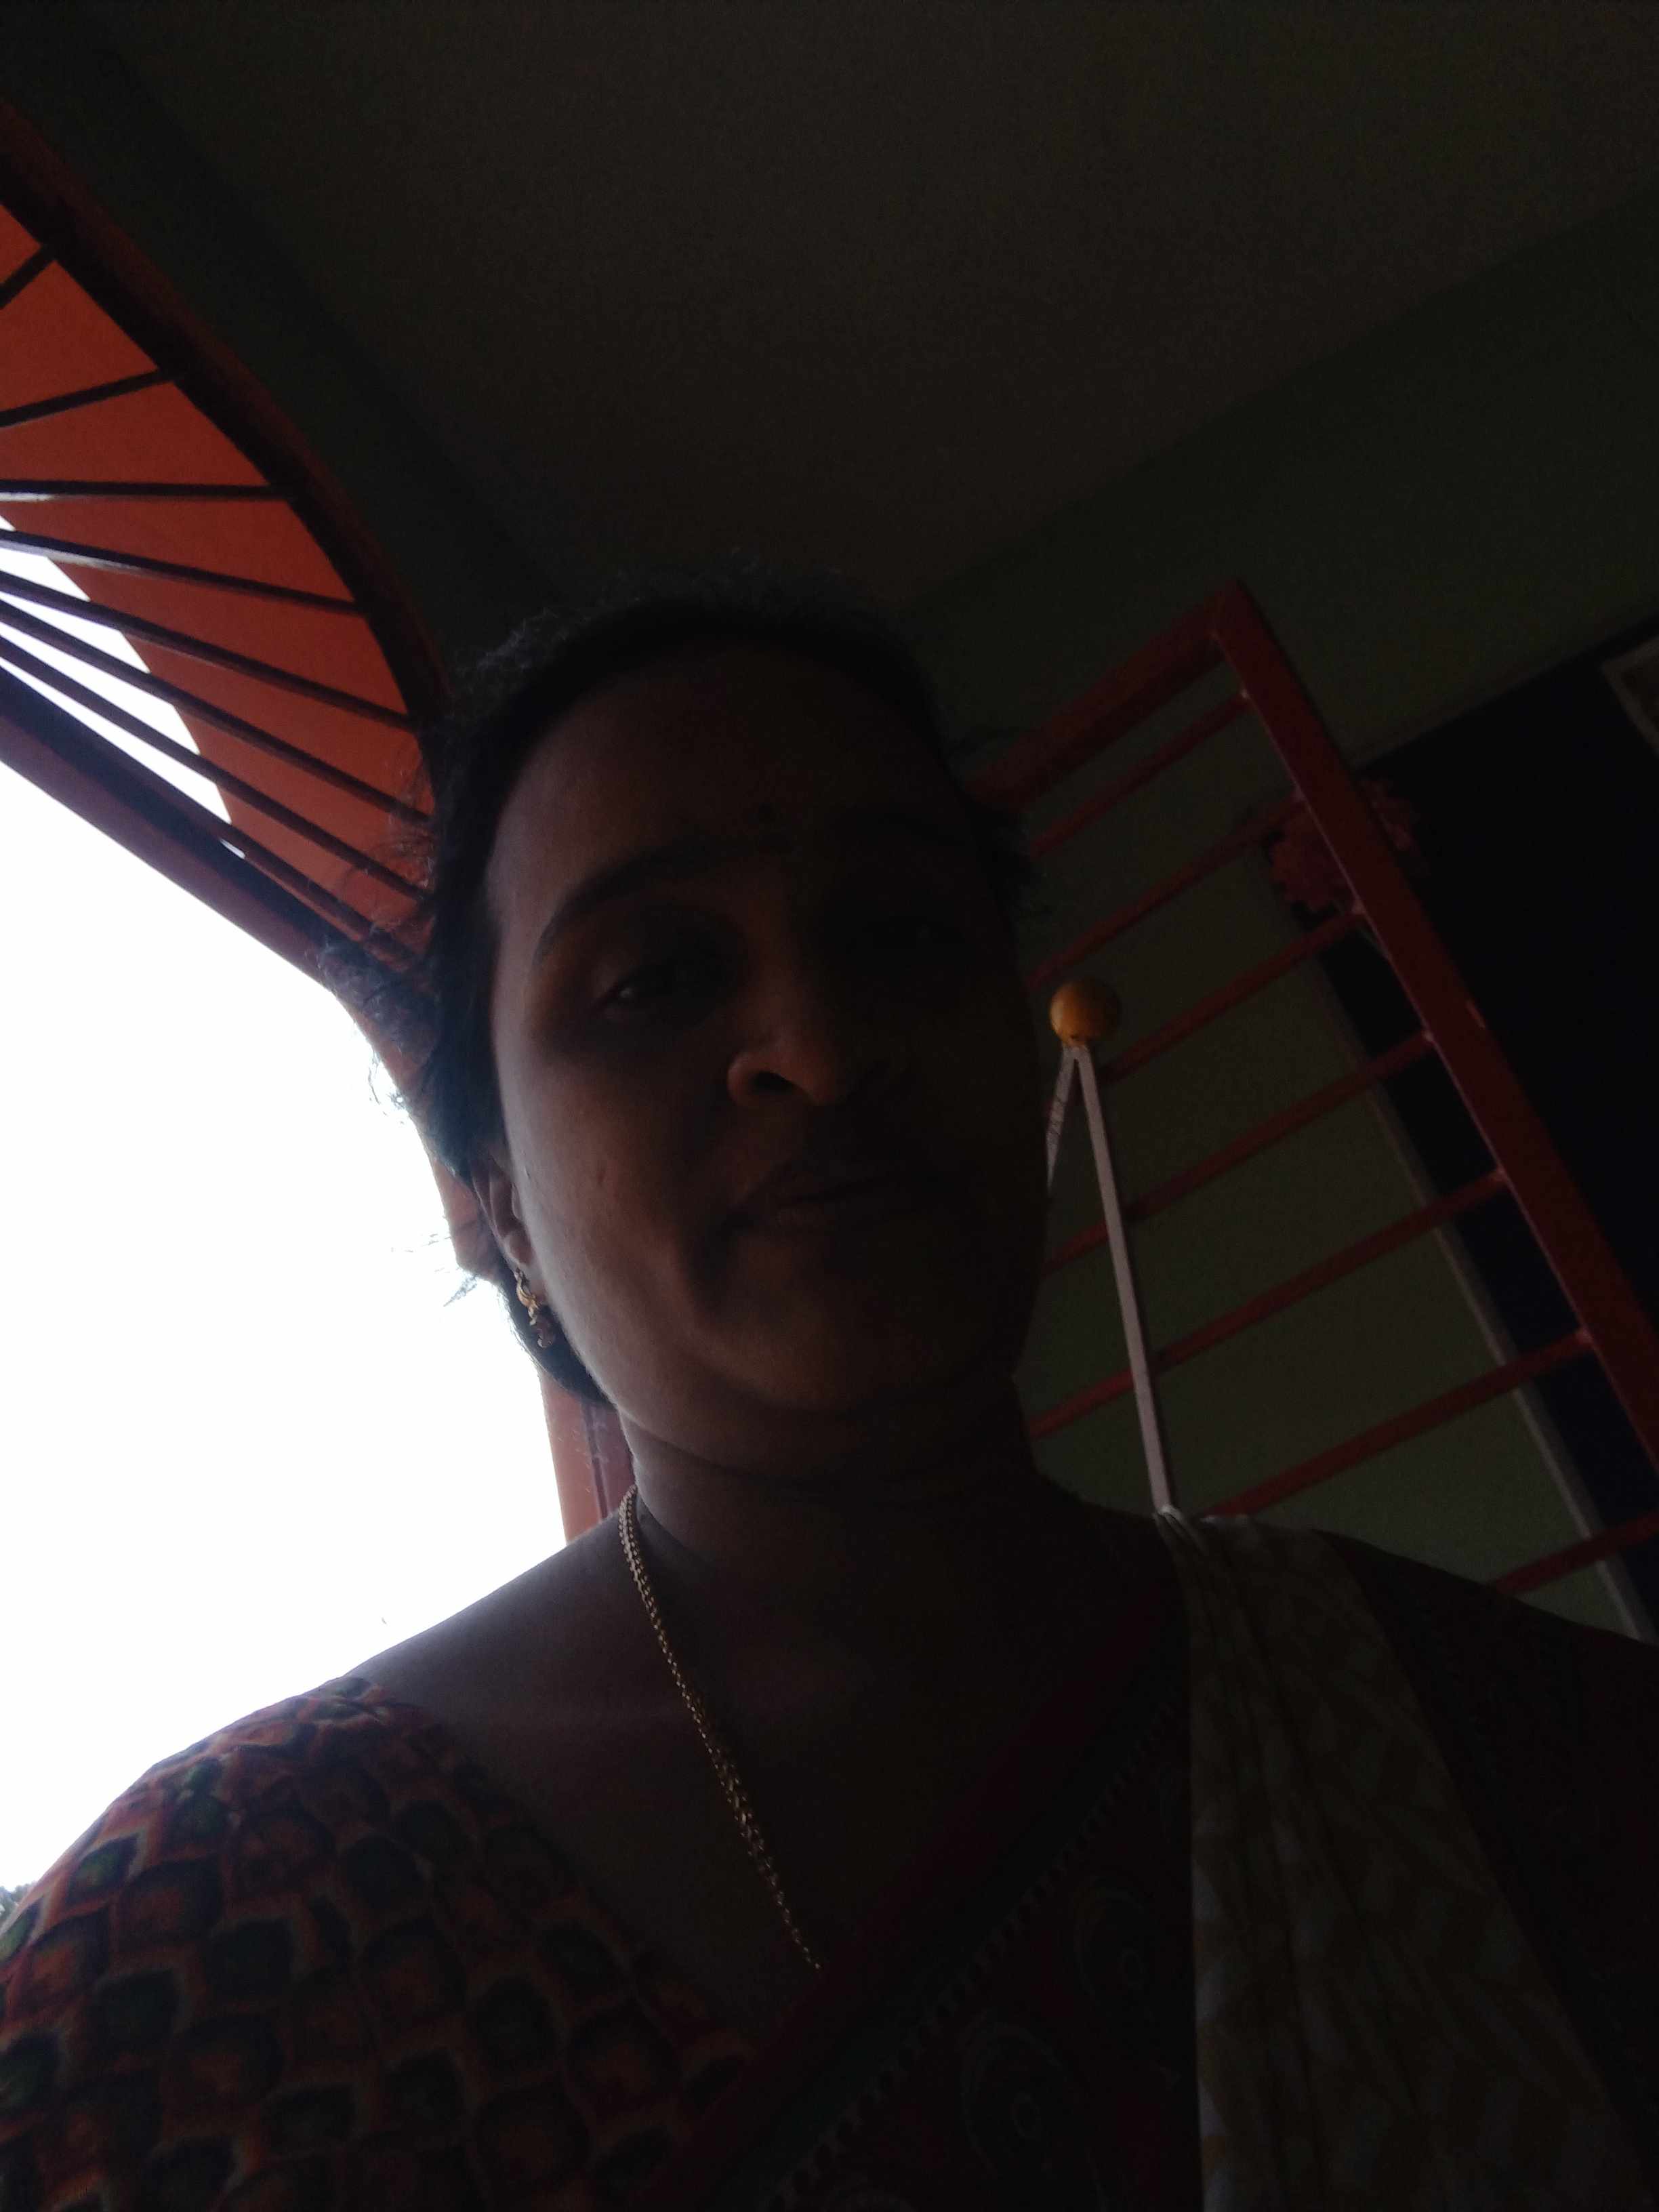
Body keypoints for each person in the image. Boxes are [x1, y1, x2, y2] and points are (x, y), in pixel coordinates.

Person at [3, 564, 1657, 2211]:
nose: (822, 1043)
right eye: (653, 977)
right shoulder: (213, 1941)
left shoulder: (1493, 1741)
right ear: (495, 1196)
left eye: (902, 933)